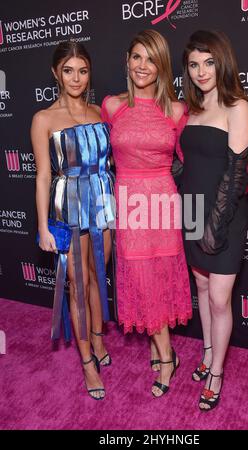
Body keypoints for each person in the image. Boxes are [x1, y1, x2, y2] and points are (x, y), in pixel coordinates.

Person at [101, 29, 192, 397]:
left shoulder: (177, 110)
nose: (142, 65)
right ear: (127, 60)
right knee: (139, 278)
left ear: (161, 65)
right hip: (128, 203)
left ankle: (163, 354)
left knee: (160, 275)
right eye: (136, 57)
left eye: (150, 59)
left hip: (162, 205)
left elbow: (192, 160)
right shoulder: (112, 106)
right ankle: (165, 352)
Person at [31, 41, 115, 400]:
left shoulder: (100, 112)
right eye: (68, 70)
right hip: (70, 209)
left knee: (99, 275)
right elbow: (43, 176)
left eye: (82, 70)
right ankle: (86, 361)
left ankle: (97, 338)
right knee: (77, 286)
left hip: (102, 205)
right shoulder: (44, 119)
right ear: (56, 73)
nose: (76, 78)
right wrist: (42, 226)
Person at [180, 30, 248, 411]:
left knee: (221, 298)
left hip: (223, 215)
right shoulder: (190, 108)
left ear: (221, 61)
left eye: (208, 62)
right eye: (193, 64)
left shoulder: (236, 106)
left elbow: (235, 175)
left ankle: (217, 372)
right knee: (203, 290)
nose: (201, 71)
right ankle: (207, 353)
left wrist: (214, 227)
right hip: (192, 208)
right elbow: (188, 162)